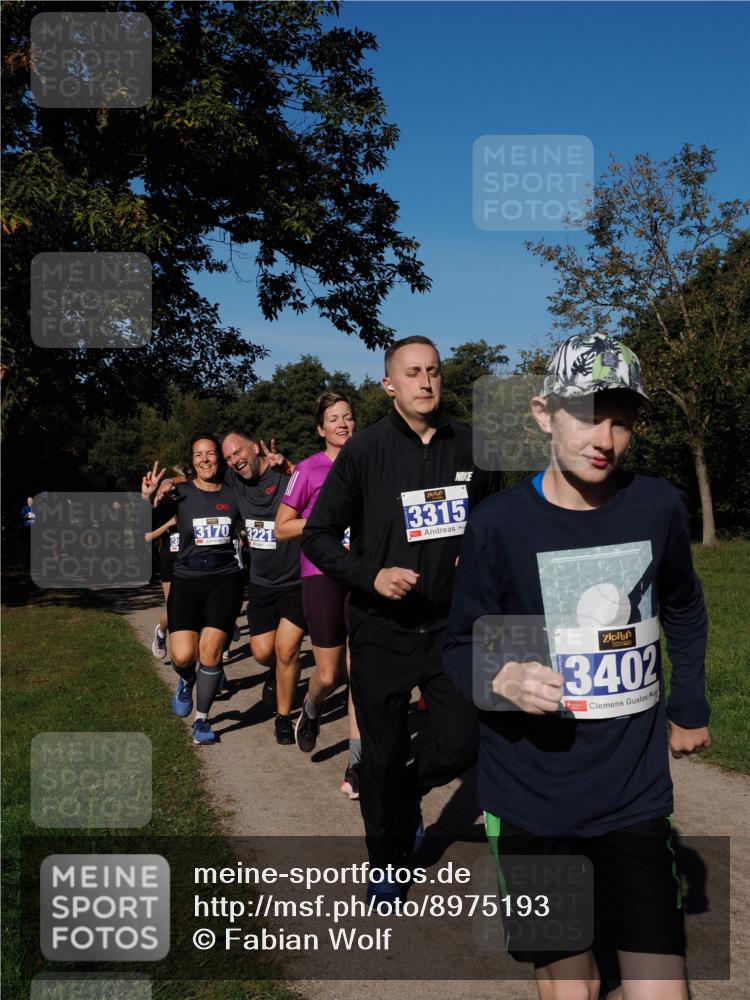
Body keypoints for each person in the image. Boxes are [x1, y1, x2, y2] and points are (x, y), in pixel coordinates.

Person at [444, 333, 712, 1000]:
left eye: (622, 419)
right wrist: (500, 676)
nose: (606, 437)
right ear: (543, 413)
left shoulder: (658, 507)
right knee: (574, 989)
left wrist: (690, 704)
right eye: (589, 414)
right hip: (532, 799)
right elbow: (456, 646)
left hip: (633, 796)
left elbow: (684, 604)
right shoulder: (499, 525)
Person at [302, 336, 502, 897]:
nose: (425, 382)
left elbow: (498, 514)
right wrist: (371, 576)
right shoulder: (364, 452)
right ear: (389, 385)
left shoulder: (472, 444)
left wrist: (479, 549)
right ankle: (386, 862)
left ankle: (401, 790)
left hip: (449, 625)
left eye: (433, 371)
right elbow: (317, 537)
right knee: (383, 750)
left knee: (463, 743)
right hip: (379, 627)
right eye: (412, 373)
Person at [276, 392, 362, 798]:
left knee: (361, 670)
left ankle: (357, 763)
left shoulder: (369, 464)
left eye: (347, 417)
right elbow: (282, 527)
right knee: (329, 675)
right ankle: (311, 706)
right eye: (333, 418)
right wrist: (320, 521)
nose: (342, 424)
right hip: (321, 575)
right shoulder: (308, 471)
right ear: (320, 428)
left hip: (363, 576)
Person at [141, 434, 244, 745]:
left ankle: (202, 720)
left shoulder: (234, 493)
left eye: (210, 453)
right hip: (186, 581)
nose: (205, 459)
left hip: (225, 581)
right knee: (184, 656)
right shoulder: (179, 494)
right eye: (199, 454)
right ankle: (186, 681)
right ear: (192, 461)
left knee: (211, 653)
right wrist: (146, 499)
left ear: (219, 459)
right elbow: (145, 525)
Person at [222, 431, 307, 746]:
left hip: (296, 580)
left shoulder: (285, 474)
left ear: (254, 447)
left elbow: (313, 483)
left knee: (287, 649)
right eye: (229, 458)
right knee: (262, 653)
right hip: (261, 584)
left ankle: (283, 718)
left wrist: (289, 467)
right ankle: (275, 674)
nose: (235, 461)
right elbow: (199, 486)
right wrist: (165, 487)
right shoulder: (234, 483)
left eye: (238, 452)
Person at [144, 515, 178, 658]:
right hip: (171, 563)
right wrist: (170, 523)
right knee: (174, 610)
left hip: (196, 563)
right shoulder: (163, 507)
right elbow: (147, 536)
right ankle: (161, 633)